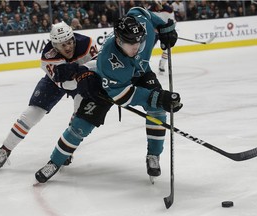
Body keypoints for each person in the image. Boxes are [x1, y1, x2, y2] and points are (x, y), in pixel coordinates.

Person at [35, 6, 182, 184]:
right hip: (105, 83)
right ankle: (55, 161)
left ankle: (153, 155)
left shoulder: (144, 29)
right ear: (119, 41)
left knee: (157, 108)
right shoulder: (108, 61)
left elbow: (139, 11)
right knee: (81, 124)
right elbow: (123, 97)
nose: (137, 47)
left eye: (139, 42)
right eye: (131, 44)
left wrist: (165, 26)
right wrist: (158, 97)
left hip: (141, 72)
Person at [0, 21, 98, 170]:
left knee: (79, 116)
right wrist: (82, 70)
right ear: (54, 46)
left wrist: (84, 72)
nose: (67, 47)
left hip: (81, 81)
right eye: (62, 45)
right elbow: (65, 84)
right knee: (31, 113)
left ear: (73, 38)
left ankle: (66, 149)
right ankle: (5, 149)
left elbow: (98, 66)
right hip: (57, 82)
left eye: (69, 42)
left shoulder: (87, 43)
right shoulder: (48, 55)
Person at [148, 0, 175, 74]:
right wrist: (154, 29)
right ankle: (144, 65)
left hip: (165, 32)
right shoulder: (150, 10)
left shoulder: (169, 9)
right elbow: (148, 22)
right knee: (148, 49)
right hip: (154, 33)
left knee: (167, 49)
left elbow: (172, 22)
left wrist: (168, 30)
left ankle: (162, 65)